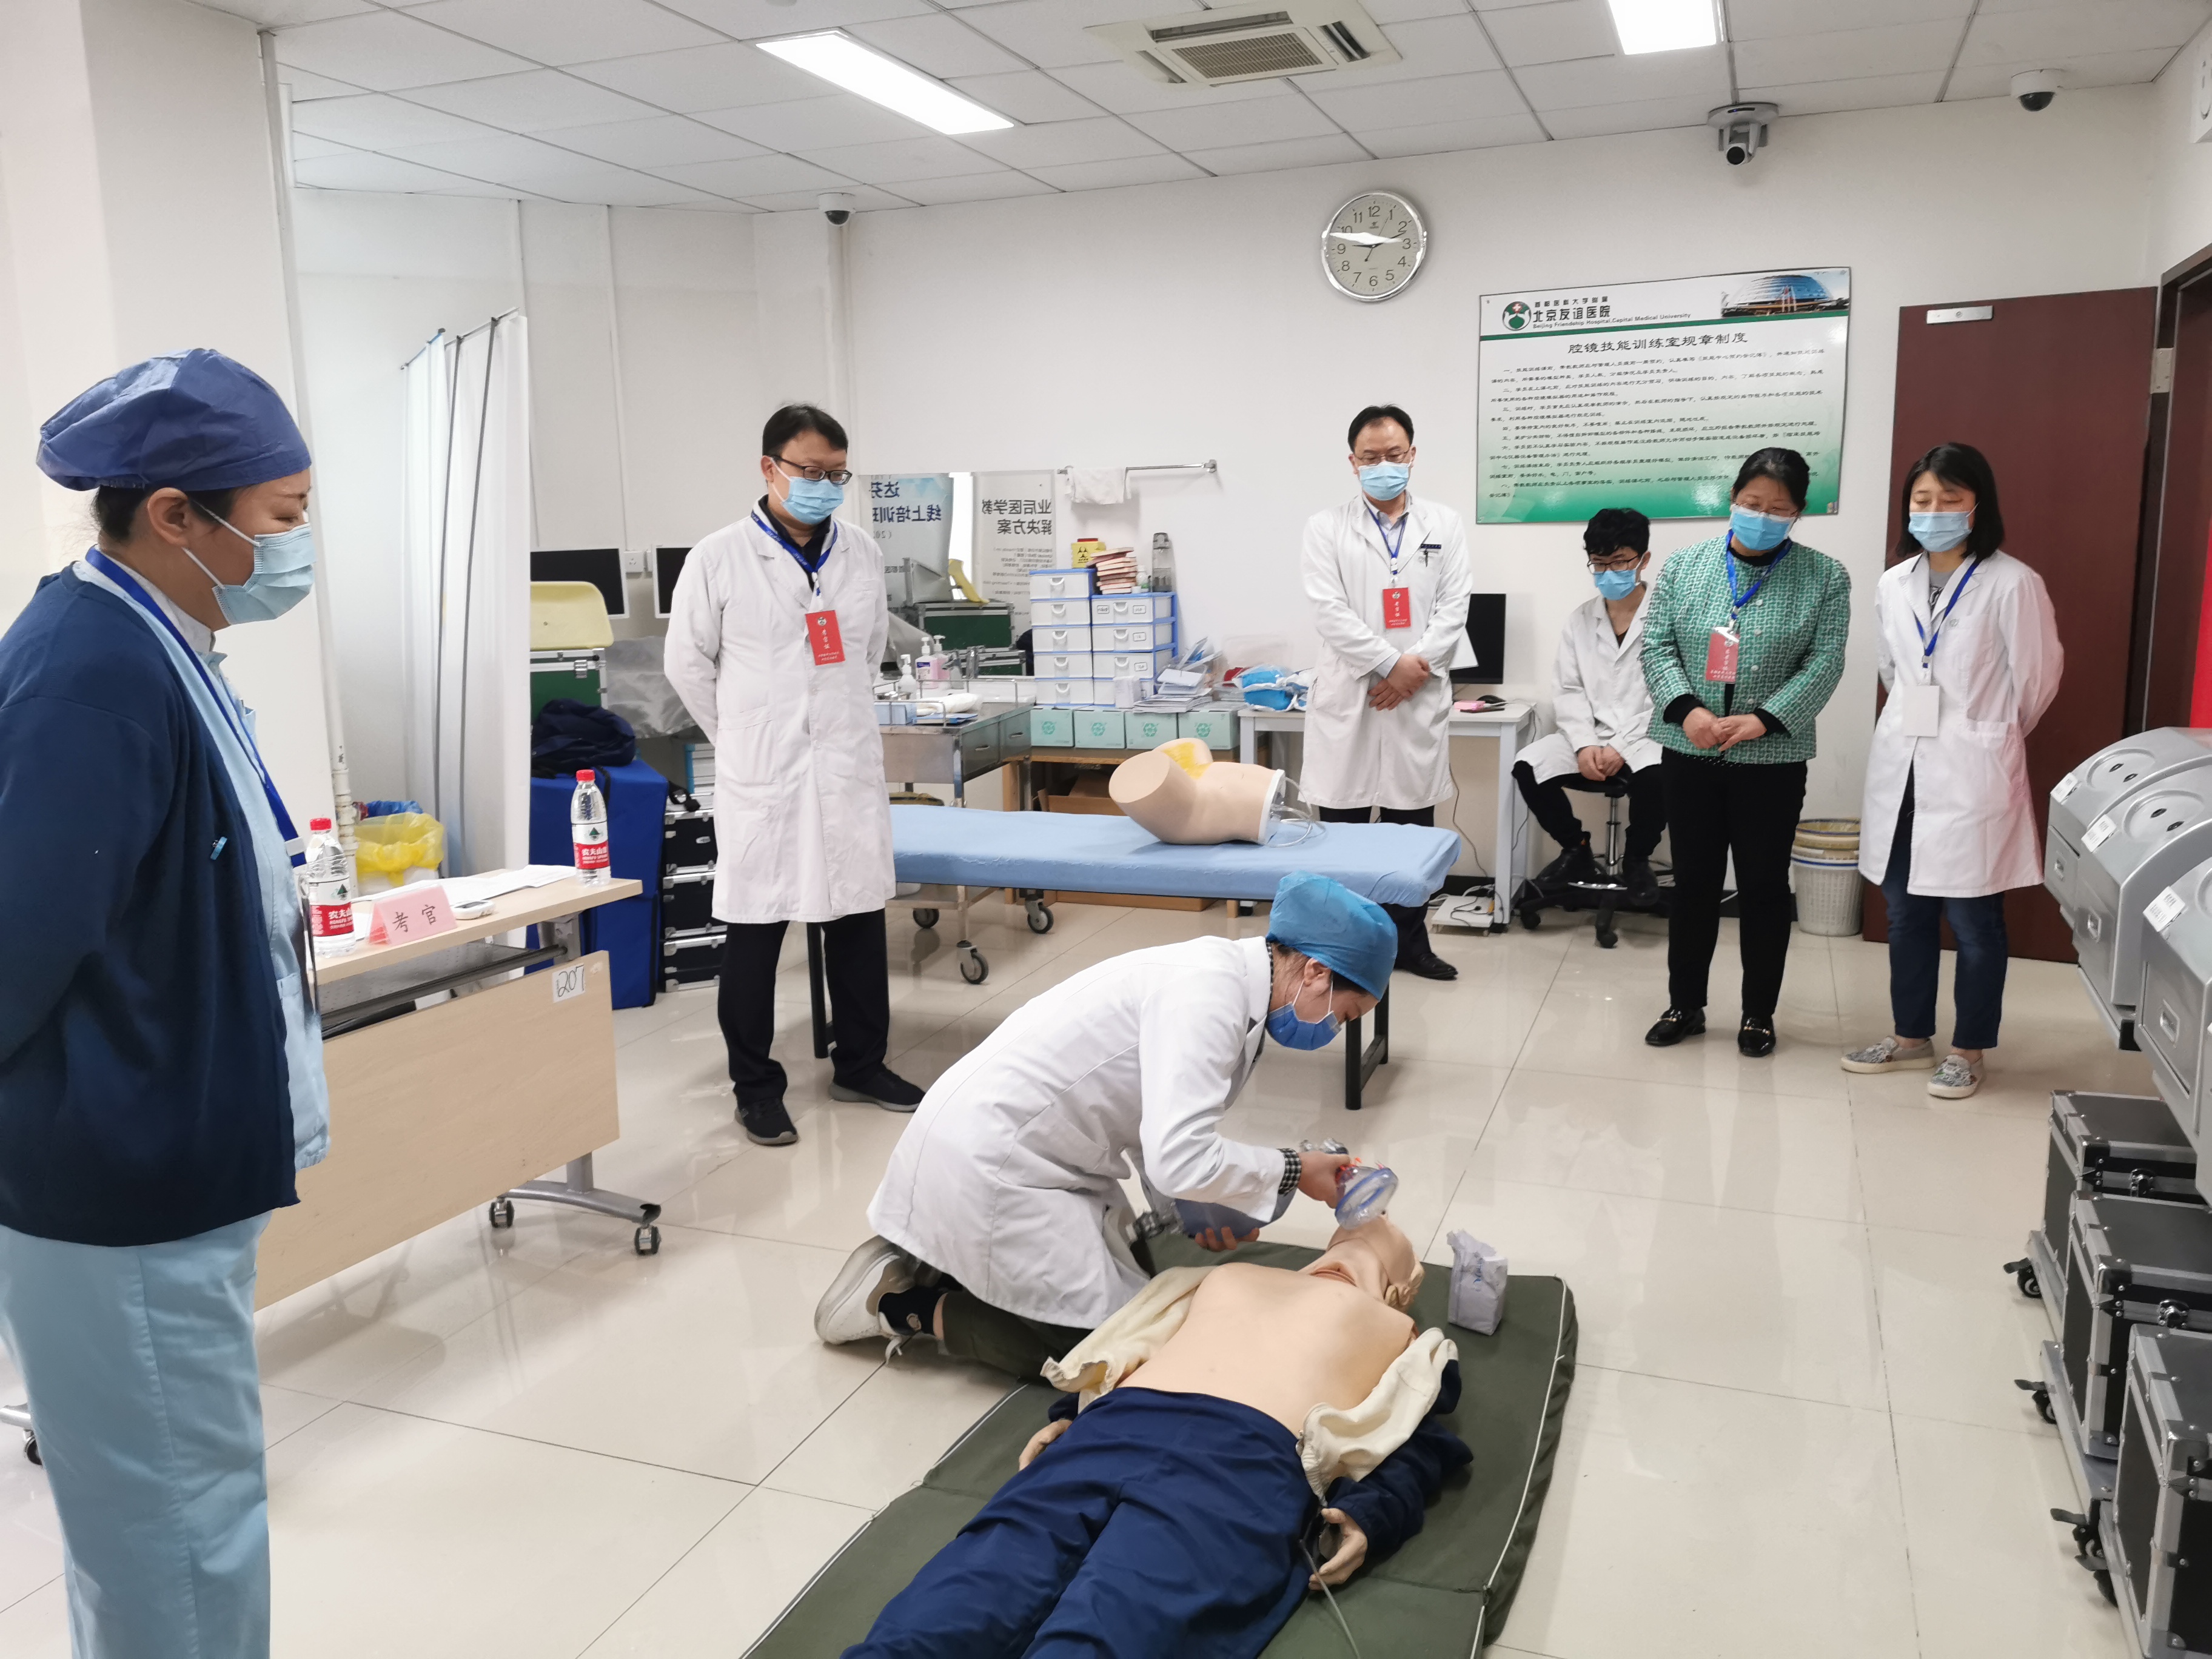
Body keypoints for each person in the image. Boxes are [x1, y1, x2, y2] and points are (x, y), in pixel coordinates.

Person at [0, 349, 331, 1658]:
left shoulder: (156, 641)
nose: (297, 546)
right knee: (179, 1539)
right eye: (282, 517)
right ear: (176, 516)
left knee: (166, 1521)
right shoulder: (92, 673)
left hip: (160, 1164)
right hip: (120, 1185)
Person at [816, 872, 1391, 1379]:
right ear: (1316, 971)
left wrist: (1192, 1207)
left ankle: (938, 1262)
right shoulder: (1208, 998)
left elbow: (1156, 1124)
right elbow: (1180, 1157)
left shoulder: (1227, 983)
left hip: (1010, 1142)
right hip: (992, 1160)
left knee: (1140, 1291)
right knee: (1112, 1353)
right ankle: (899, 1306)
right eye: (1344, 1015)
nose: (1333, 1030)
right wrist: (1294, 1169)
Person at [840, 1216, 1469, 1659]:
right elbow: (1129, 1347)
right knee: (964, 1597)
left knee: (1102, 1632)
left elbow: (1414, 1439)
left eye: (1371, 1251)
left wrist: (1370, 1514)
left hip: (1239, 1463)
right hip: (1115, 1432)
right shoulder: (1224, 1278)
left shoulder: (1409, 1341)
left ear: (1402, 1290)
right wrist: (1075, 1411)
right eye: (1347, 1236)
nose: (1351, 1248)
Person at [665, 403, 923, 1147]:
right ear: (769, 467)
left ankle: (861, 1065)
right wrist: (743, 739)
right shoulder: (719, 557)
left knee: (857, 922)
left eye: (837, 474)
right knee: (756, 930)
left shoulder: (861, 552)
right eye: (810, 471)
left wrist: (825, 727)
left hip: (844, 767)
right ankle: (755, 1088)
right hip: (765, 775)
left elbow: (867, 648)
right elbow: (686, 664)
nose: (824, 486)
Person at [1844, 443, 2062, 1100]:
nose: (1934, 511)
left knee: (1974, 921)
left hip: (1973, 771)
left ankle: (1969, 1049)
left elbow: (2037, 680)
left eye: (1950, 499)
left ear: (1977, 505)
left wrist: (1986, 736)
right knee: (1905, 912)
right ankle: (1912, 1036)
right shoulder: (1893, 583)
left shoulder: (2012, 582)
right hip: (1904, 768)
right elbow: (1892, 670)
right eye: (1923, 499)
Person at [1640, 447, 1851, 1057]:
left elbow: (1826, 660)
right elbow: (1657, 647)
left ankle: (1759, 1013)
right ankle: (1685, 1004)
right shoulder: (1685, 566)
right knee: (1694, 884)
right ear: (1733, 500)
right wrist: (1689, 711)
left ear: (1798, 512)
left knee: (1763, 888)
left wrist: (1763, 720)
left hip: (1772, 760)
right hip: (1690, 751)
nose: (1762, 516)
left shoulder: (1825, 576)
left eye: (1778, 509)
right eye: (1752, 504)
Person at [1299, 404, 1473, 981]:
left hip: (1415, 695)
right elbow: (1328, 610)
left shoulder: (1445, 524)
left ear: (1412, 455)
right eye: (1370, 457)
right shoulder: (1325, 527)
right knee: (1342, 831)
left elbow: (1454, 607)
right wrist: (1388, 665)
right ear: (1352, 463)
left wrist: (1411, 671)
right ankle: (1344, 950)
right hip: (1354, 693)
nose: (1383, 466)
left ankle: (1410, 945)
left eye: (1394, 455)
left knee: (1411, 829)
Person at [1513, 506, 1665, 907]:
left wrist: (1621, 746)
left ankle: (1637, 859)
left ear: (1644, 560)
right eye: (1599, 563)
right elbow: (1568, 689)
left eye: (1619, 561)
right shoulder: (1580, 619)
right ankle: (1576, 849)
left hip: (1647, 736)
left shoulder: (1668, 616)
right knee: (1528, 766)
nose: (1608, 571)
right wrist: (1584, 744)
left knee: (1660, 776)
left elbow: (1669, 692)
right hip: (1589, 733)